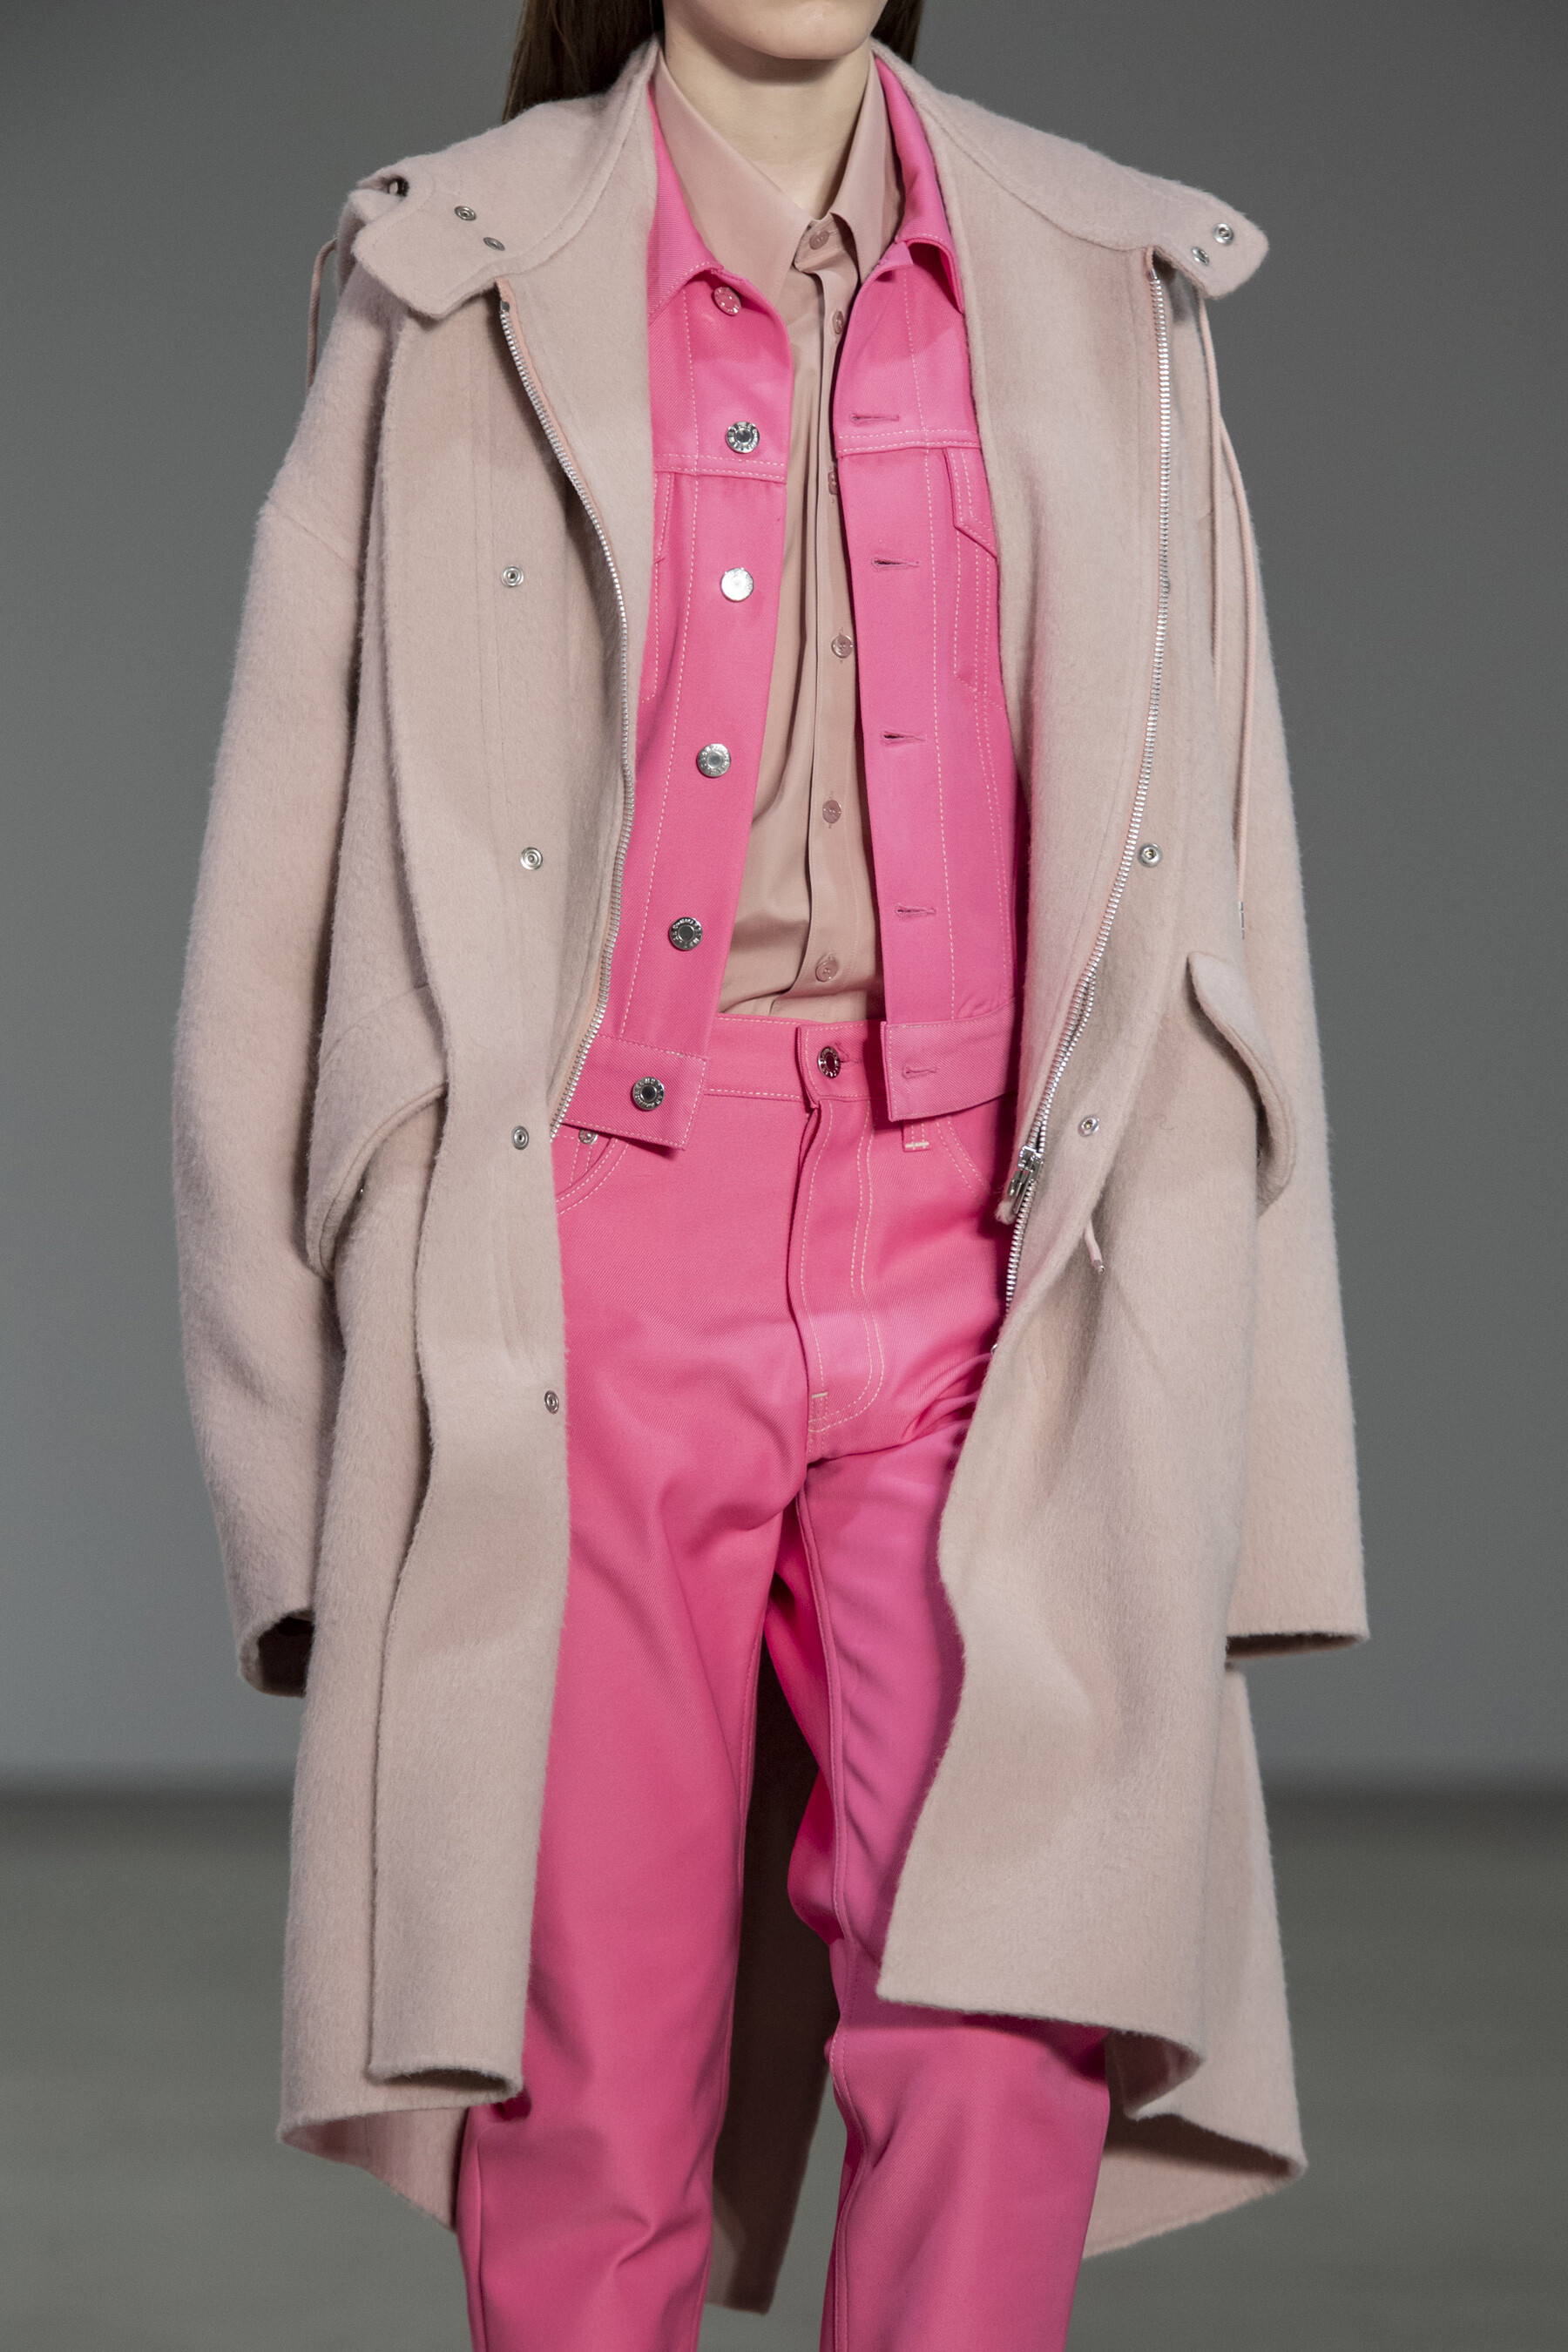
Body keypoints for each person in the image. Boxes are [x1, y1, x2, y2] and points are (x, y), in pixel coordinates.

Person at [172, 2, 1367, 2345]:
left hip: (996, 1258)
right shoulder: (453, 281)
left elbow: (1220, 876)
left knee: (1016, 2001)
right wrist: (290, 1461)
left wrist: (1263, 1448)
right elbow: (272, 911)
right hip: (579, 1262)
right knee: (588, 2076)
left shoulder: (1102, 280)